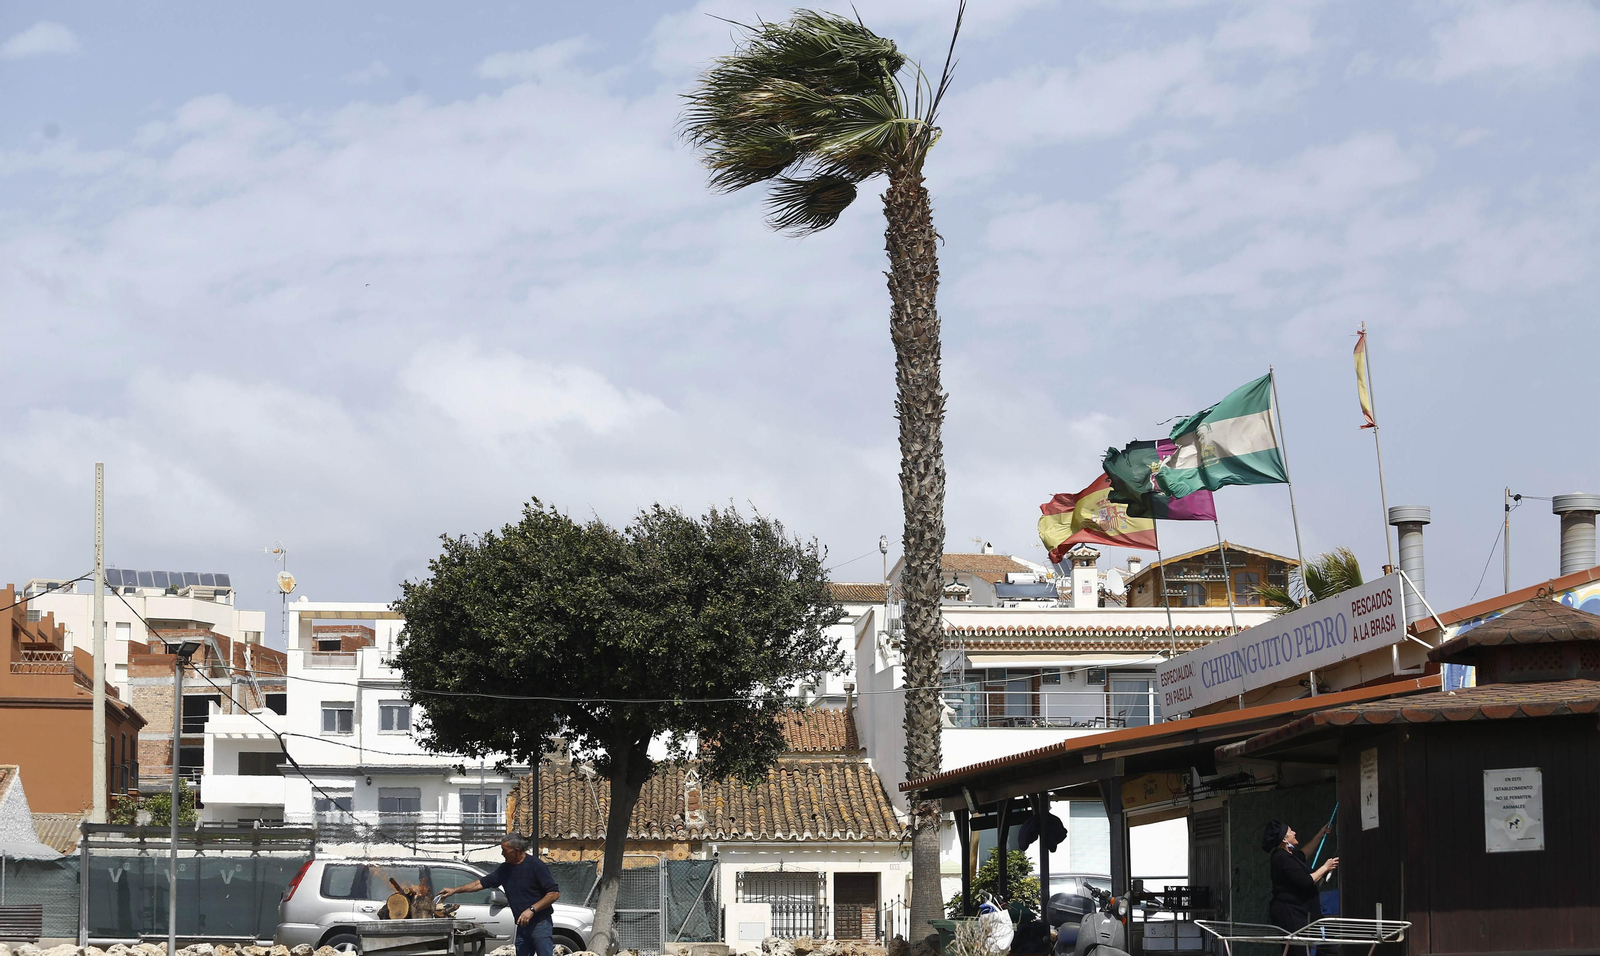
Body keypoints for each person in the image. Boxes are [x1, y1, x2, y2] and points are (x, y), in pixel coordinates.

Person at [440, 833, 561, 956]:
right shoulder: (505, 869)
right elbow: (480, 884)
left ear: (516, 851)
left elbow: (554, 893)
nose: (502, 854)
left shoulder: (536, 865)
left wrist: (532, 909)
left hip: (540, 924)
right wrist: (454, 890)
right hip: (522, 927)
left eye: (504, 850)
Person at [1262, 819, 1338, 935]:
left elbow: (1304, 854)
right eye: (1290, 831)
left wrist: (1320, 834)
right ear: (1284, 839)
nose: (1294, 833)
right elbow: (1306, 881)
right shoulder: (1282, 858)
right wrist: (1325, 867)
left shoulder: (1288, 855)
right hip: (1291, 914)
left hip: (1296, 912)